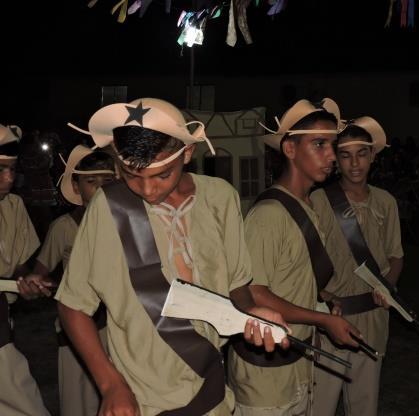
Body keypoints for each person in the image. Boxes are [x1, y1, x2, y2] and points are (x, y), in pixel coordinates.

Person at [55, 98, 286, 416]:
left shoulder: (221, 198)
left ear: (188, 153)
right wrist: (110, 385)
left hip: (212, 389)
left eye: (162, 175)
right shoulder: (110, 208)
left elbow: (237, 286)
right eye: (132, 176)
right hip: (142, 398)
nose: (147, 190)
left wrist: (252, 313)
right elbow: (72, 305)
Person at [227, 98, 362, 416]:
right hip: (265, 376)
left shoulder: (306, 206)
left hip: (296, 362)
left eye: (332, 145)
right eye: (319, 144)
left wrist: (320, 296)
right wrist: (323, 319)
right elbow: (254, 292)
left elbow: (286, 275)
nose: (331, 156)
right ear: (289, 149)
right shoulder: (269, 215)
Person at [310, 117, 404, 416]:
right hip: (331, 319)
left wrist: (387, 285)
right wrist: (321, 297)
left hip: (373, 319)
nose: (354, 164)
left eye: (362, 154)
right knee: (320, 406)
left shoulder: (386, 202)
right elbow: (307, 260)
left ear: (372, 156)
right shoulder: (319, 201)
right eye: (346, 155)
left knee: (365, 407)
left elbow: (395, 256)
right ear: (336, 159)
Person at [26, 145, 115, 416]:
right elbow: (39, 273)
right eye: (91, 181)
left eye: (107, 181)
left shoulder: (127, 222)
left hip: (117, 329)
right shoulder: (64, 228)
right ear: (76, 187)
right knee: (79, 404)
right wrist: (34, 284)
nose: (100, 189)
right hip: (75, 331)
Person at [0, 123, 51, 416]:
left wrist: (25, 282)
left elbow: (19, 265)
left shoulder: (14, 206)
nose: (9, 178)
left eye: (12, 169)